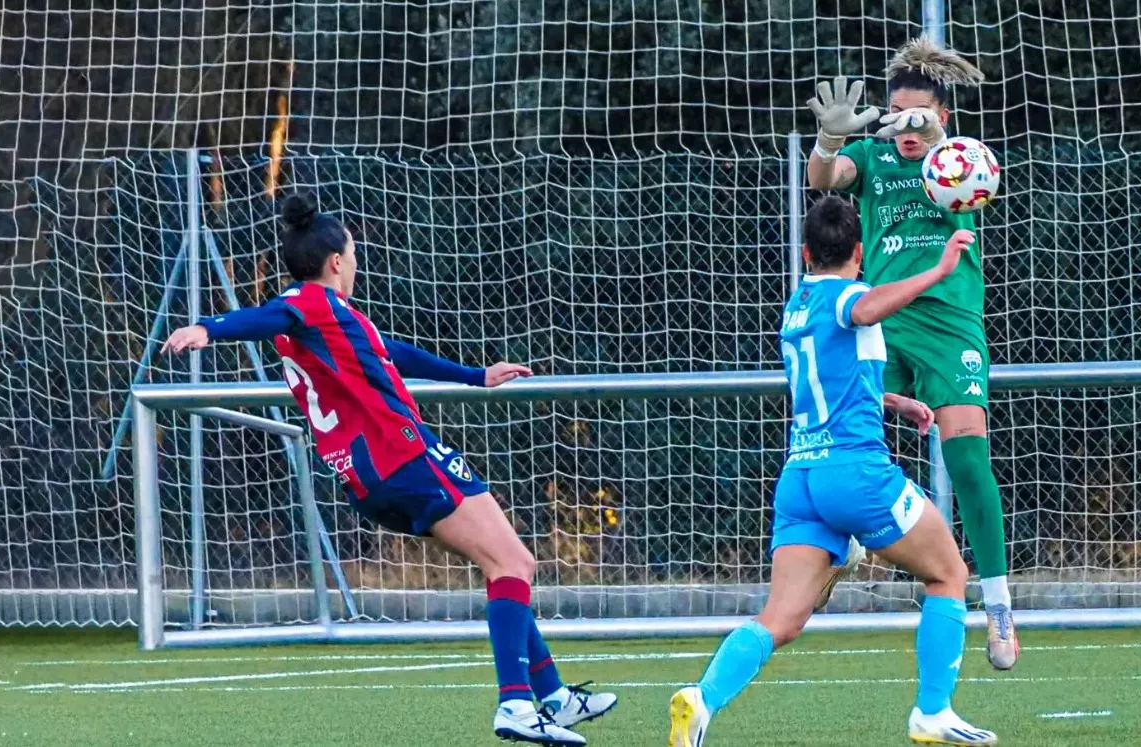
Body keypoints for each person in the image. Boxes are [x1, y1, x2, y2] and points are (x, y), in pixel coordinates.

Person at [163, 193, 615, 747]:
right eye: (352, 253)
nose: (355, 261)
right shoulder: (312, 305)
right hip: (401, 455)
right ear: (335, 261)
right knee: (515, 560)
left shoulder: (328, 322)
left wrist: (475, 375)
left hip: (367, 478)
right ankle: (517, 704)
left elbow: (392, 351)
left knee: (499, 564)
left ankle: (552, 697)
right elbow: (267, 316)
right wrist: (210, 327)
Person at [668, 196, 996, 746]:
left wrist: (894, 402)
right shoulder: (850, 295)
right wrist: (938, 269)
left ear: (804, 252)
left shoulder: (797, 303)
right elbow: (863, 310)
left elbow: (831, 376)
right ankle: (932, 713)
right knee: (949, 575)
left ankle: (702, 700)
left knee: (782, 619)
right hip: (855, 473)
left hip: (801, 478)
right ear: (860, 252)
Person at [804, 36, 1018, 669]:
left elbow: (976, 179)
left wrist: (941, 154)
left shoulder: (961, 161)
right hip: (882, 320)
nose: (905, 129)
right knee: (844, 443)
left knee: (967, 455)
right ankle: (839, 547)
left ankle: (1000, 605)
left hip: (950, 322)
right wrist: (830, 141)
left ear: (943, 119)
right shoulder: (871, 156)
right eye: (895, 116)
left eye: (918, 118)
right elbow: (825, 181)